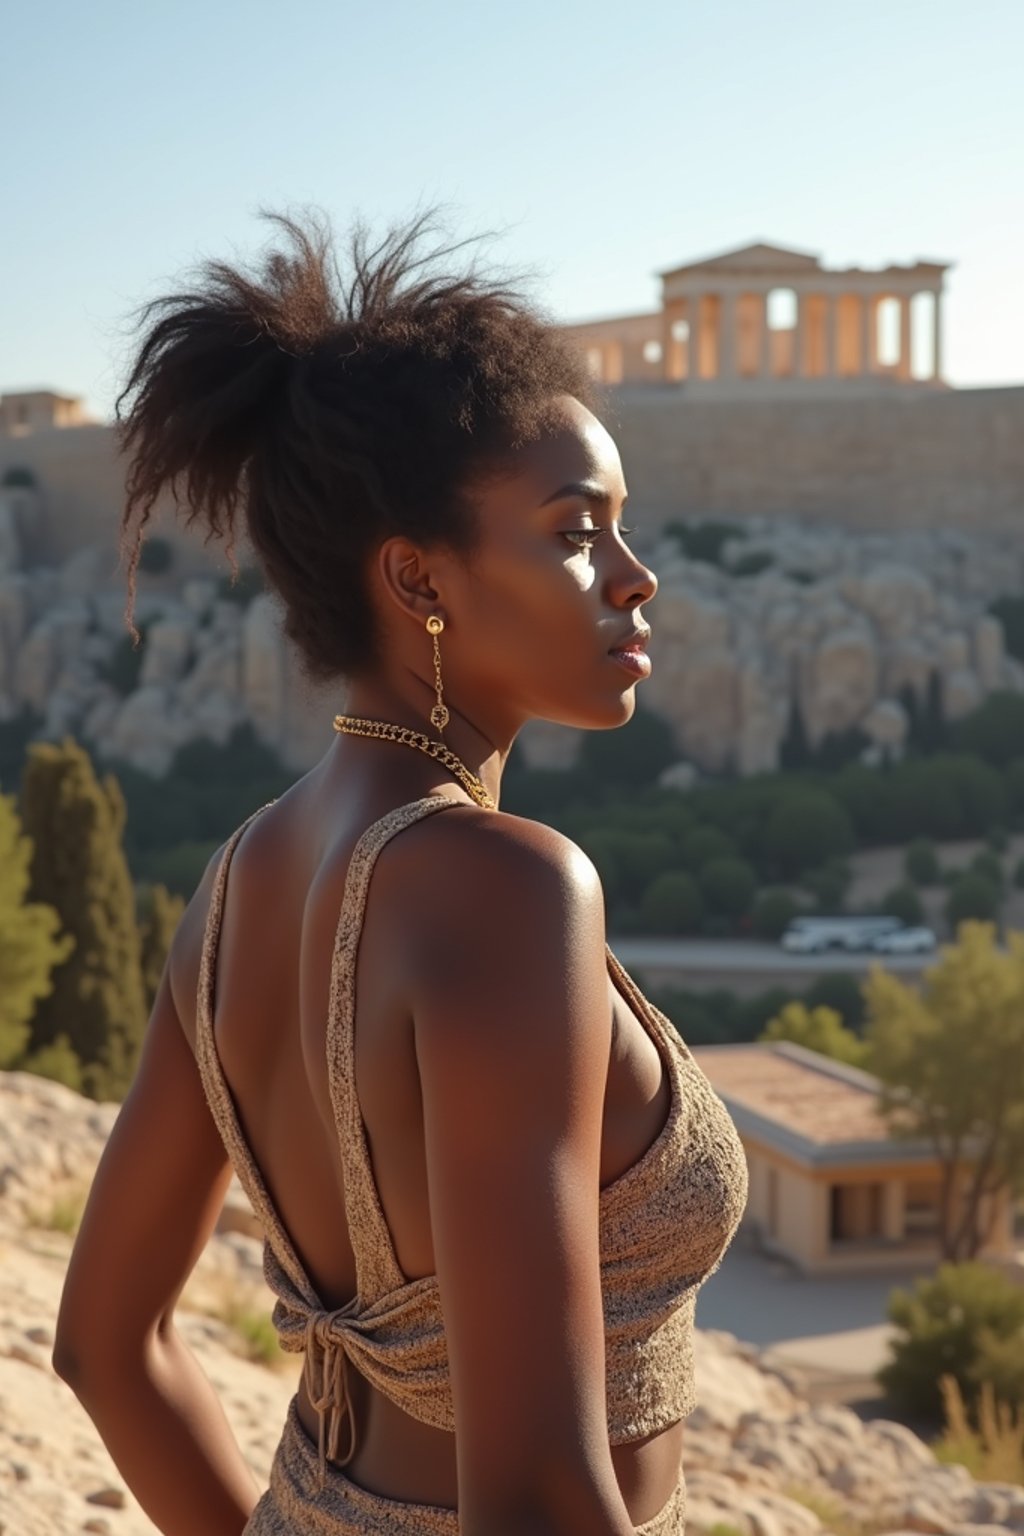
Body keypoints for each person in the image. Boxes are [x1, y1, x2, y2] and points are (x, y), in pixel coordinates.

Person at [53, 208, 749, 1536]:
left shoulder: (236, 882)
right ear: (417, 578)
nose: (634, 576)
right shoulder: (505, 889)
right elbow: (539, 1495)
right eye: (574, 531)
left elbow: (104, 1344)